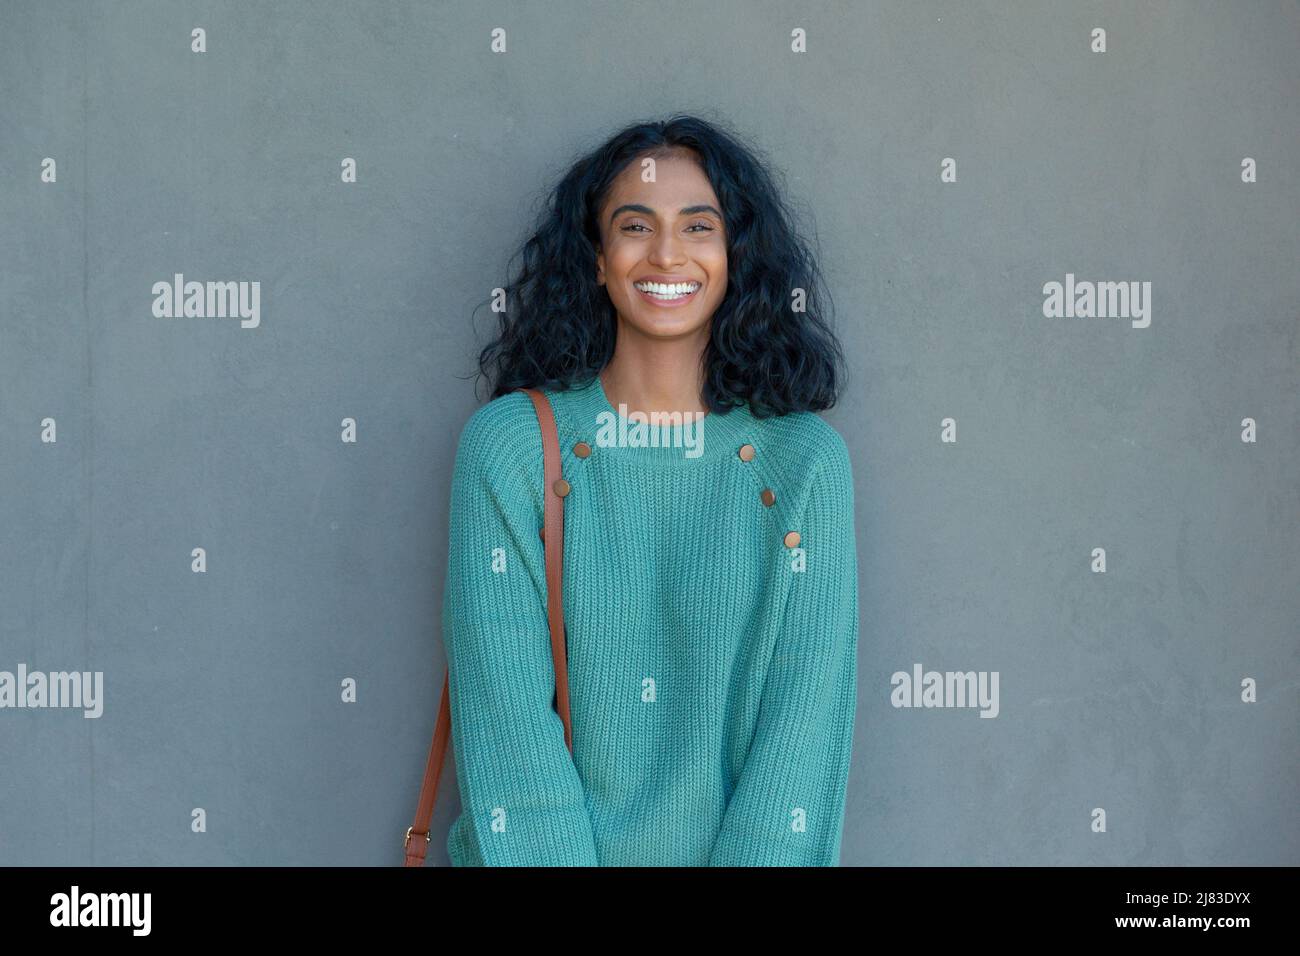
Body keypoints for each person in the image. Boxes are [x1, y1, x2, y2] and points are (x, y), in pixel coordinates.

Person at [441, 113, 858, 866]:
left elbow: (803, 731)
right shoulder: (508, 449)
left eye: (699, 226)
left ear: (735, 256)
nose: (667, 252)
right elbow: (506, 730)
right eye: (636, 225)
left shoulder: (805, 464)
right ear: (597, 259)